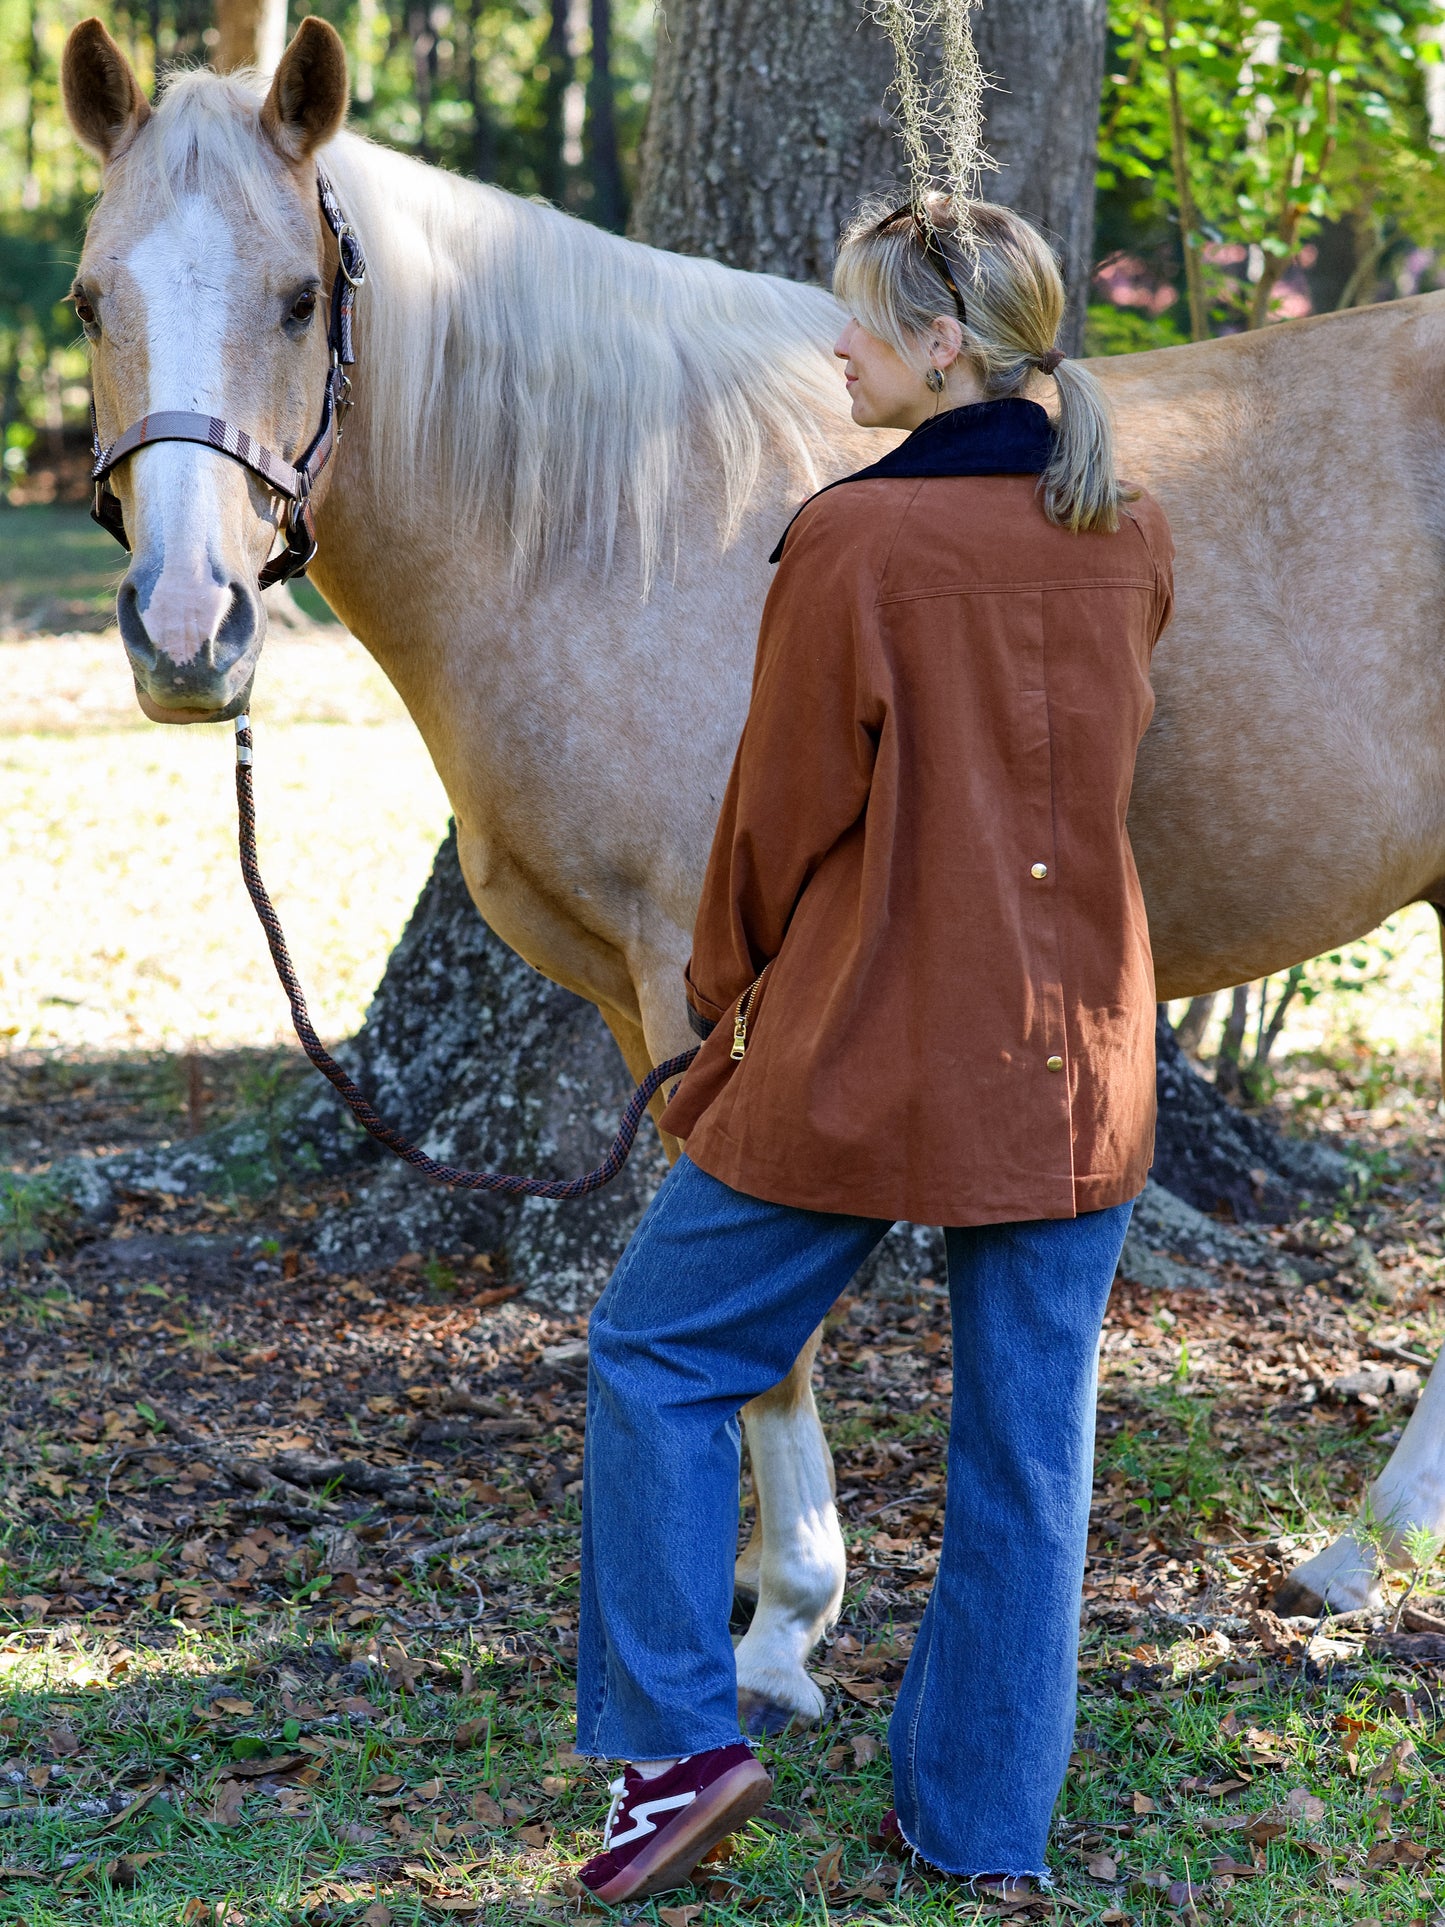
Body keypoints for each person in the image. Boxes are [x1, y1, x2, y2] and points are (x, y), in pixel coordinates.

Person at [570, 194, 1175, 1904]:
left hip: (865, 1051)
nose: (829, 347)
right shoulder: (1127, 527)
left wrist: (712, 1011)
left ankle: (679, 1749)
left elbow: (773, 825)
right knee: (1025, 1446)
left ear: (938, 346)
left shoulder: (853, 545)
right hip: (1079, 1066)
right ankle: (982, 1831)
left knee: (657, 1350)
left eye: (853, 320)